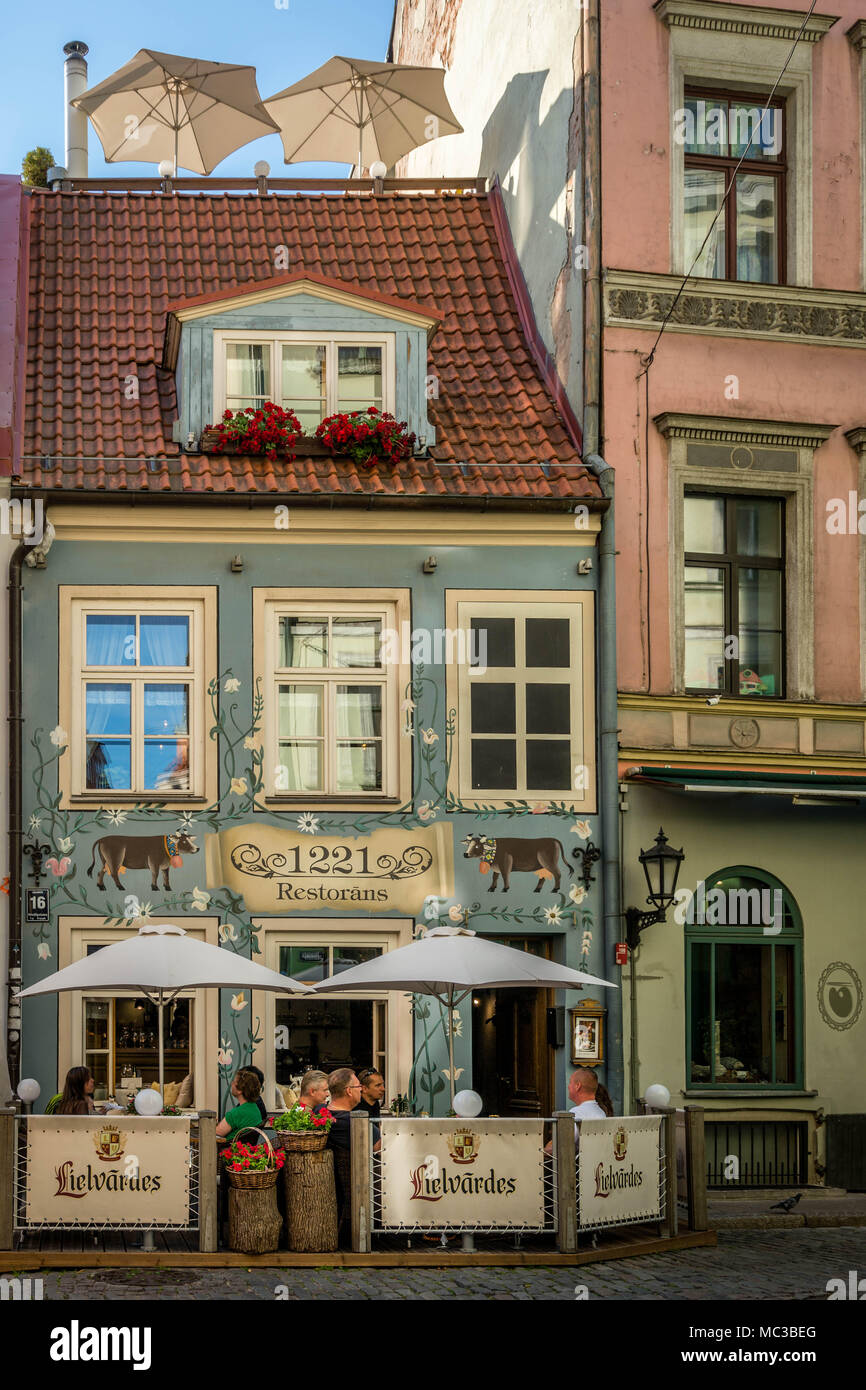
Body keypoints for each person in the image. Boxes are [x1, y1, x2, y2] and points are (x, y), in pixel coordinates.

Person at [215, 1068, 265, 1144]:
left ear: (240, 1090)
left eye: (234, 1082)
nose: (231, 1084)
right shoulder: (255, 1108)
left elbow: (214, 1134)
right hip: (244, 1151)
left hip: (227, 1151)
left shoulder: (236, 1114)